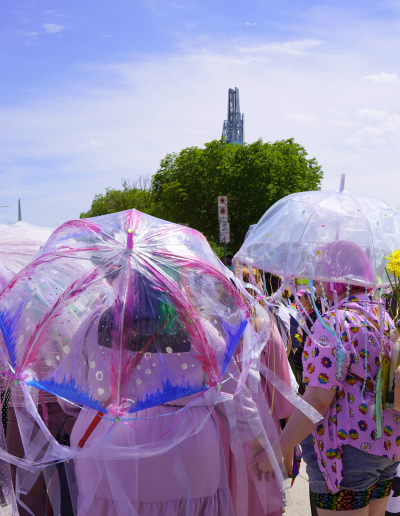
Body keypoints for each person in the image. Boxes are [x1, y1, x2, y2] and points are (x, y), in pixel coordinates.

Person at [57, 274, 277, 516]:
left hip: (106, 451)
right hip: (185, 452)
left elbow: (67, 392)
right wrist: (259, 446)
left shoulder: (94, 324)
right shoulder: (199, 330)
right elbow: (234, 397)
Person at [250, 241, 400, 515]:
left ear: (335, 277)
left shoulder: (333, 323)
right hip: (387, 444)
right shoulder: (384, 318)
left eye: (321, 274)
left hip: (347, 453)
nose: (317, 282)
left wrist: (274, 454)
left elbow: (318, 400)